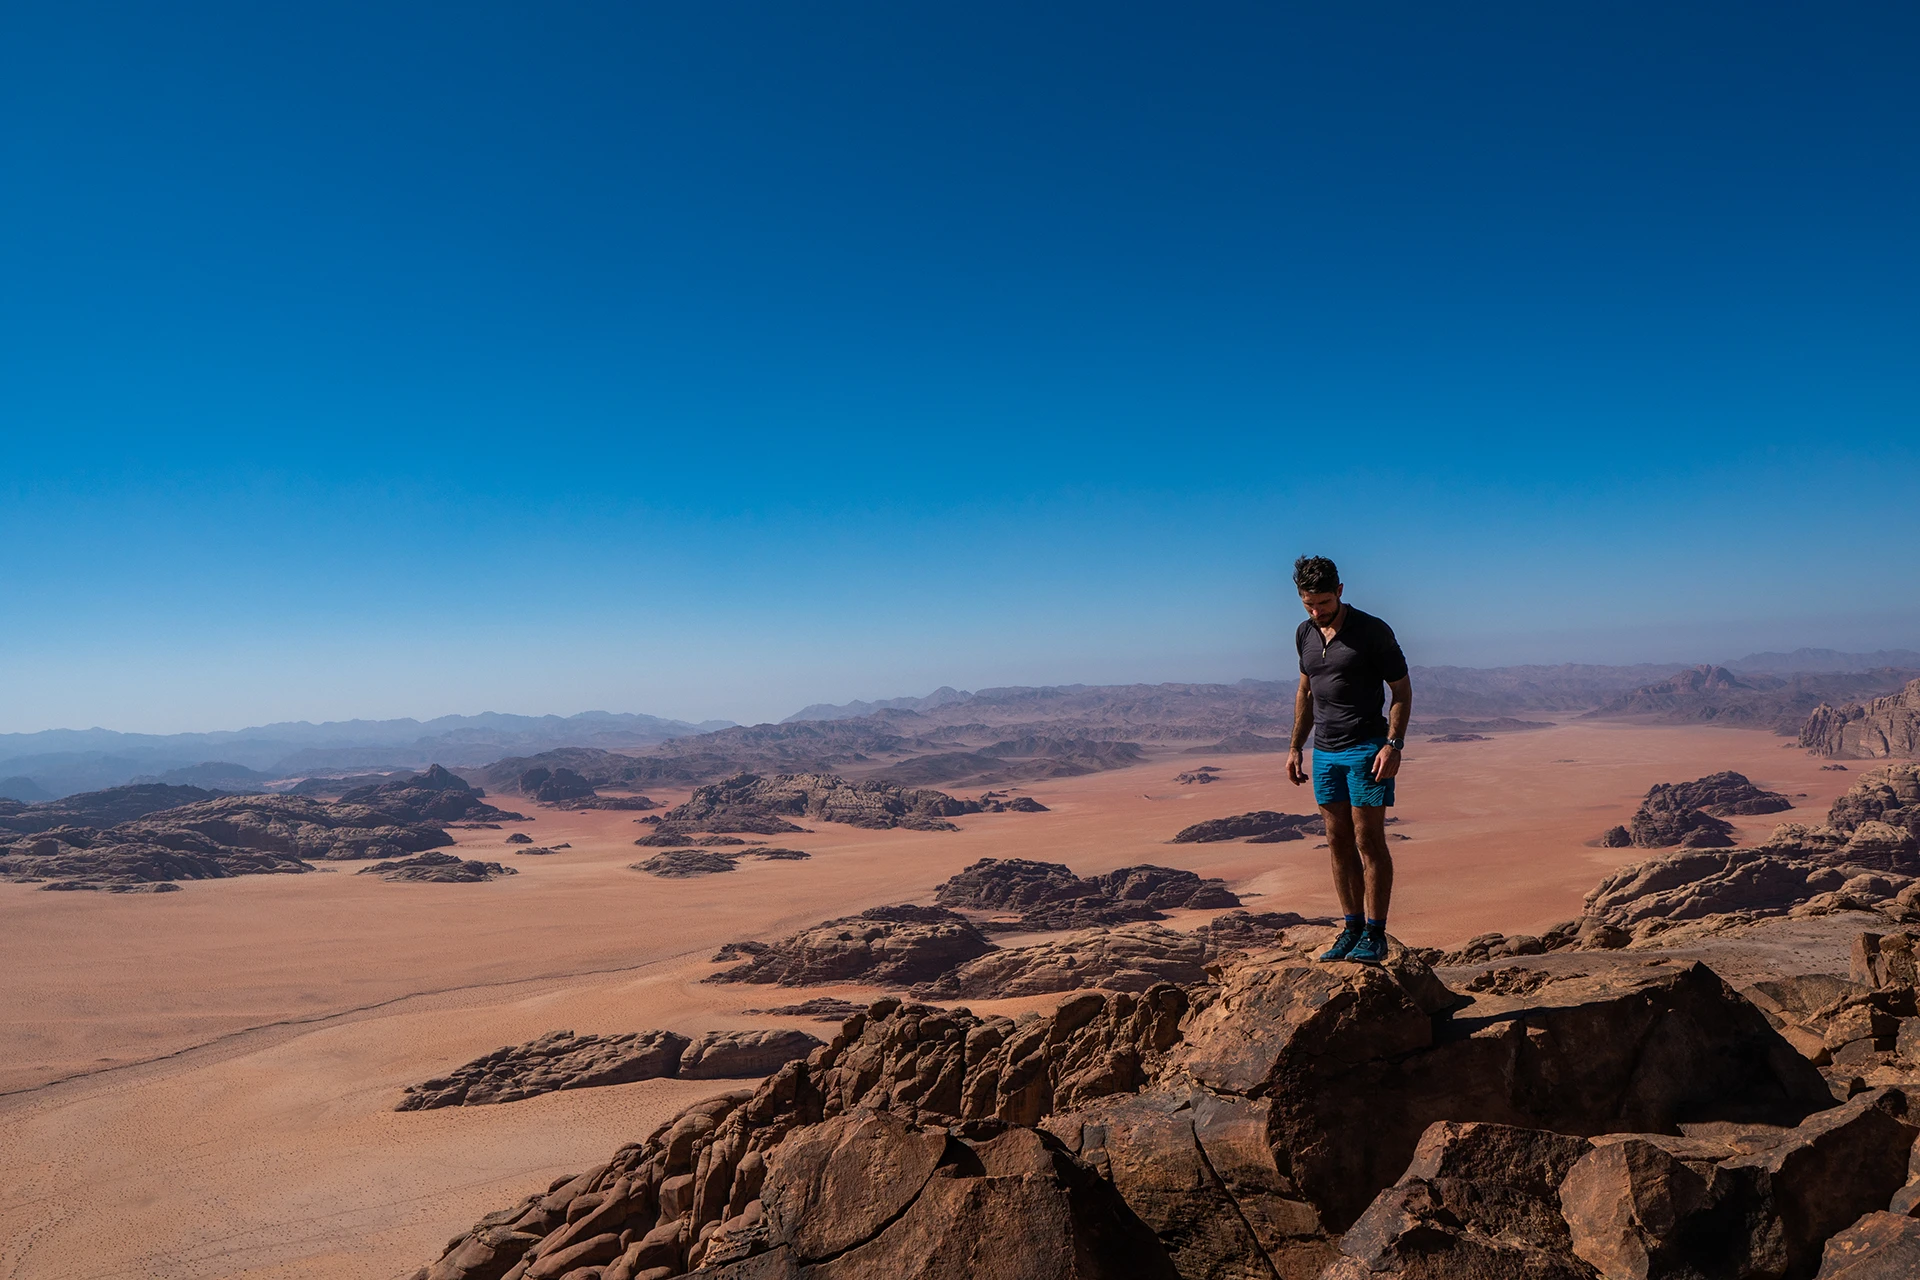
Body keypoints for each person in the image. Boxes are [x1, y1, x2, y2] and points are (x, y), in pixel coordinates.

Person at [1285, 555, 1411, 965]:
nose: (1317, 611)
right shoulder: (1305, 633)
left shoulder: (1372, 631)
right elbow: (1306, 692)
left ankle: (1376, 934)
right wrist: (1294, 747)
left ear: (1340, 591)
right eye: (1308, 603)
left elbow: (1402, 693)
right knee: (1337, 841)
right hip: (1325, 751)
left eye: (1323, 602)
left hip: (1365, 749)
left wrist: (1393, 744)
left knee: (1368, 840)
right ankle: (1352, 928)